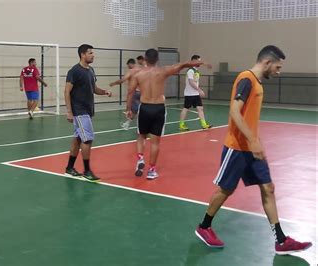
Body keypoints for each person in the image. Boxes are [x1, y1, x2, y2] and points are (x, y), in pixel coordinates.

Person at [195, 45, 312, 255]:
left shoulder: (257, 83)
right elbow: (234, 111)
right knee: (225, 190)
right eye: (277, 67)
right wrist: (251, 139)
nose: (278, 71)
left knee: (268, 188)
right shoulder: (246, 79)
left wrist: (257, 142)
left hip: (252, 148)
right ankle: (204, 227)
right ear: (267, 62)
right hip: (237, 147)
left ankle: (281, 240)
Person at [126, 49, 203, 179]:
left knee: (141, 136)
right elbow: (182, 65)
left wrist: (128, 109)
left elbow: (130, 92)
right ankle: (151, 170)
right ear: (157, 59)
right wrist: (199, 62)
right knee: (155, 142)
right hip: (158, 108)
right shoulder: (163, 71)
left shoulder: (138, 74)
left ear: (145, 59)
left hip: (144, 107)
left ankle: (140, 159)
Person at [64, 44, 112, 182]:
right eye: (90, 53)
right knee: (87, 139)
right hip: (79, 111)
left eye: (93, 53)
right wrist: (69, 111)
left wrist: (104, 92)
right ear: (82, 54)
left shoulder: (90, 70)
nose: (93, 55)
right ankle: (87, 171)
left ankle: (69, 168)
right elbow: (67, 91)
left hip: (87, 110)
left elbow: (94, 88)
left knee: (78, 139)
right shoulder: (74, 71)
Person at [179, 54, 213, 131]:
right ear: (194, 61)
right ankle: (181, 124)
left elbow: (195, 81)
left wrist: (207, 64)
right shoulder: (190, 70)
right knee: (186, 108)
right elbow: (191, 82)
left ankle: (204, 124)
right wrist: (199, 90)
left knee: (200, 108)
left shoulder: (196, 70)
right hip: (189, 94)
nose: (200, 62)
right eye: (199, 61)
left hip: (196, 94)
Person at [109, 58, 142, 130]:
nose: (128, 67)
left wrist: (113, 83)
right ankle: (143, 125)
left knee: (133, 110)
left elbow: (122, 80)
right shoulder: (141, 70)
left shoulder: (131, 71)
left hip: (135, 93)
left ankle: (127, 124)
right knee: (141, 109)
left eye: (128, 65)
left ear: (130, 64)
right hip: (142, 92)